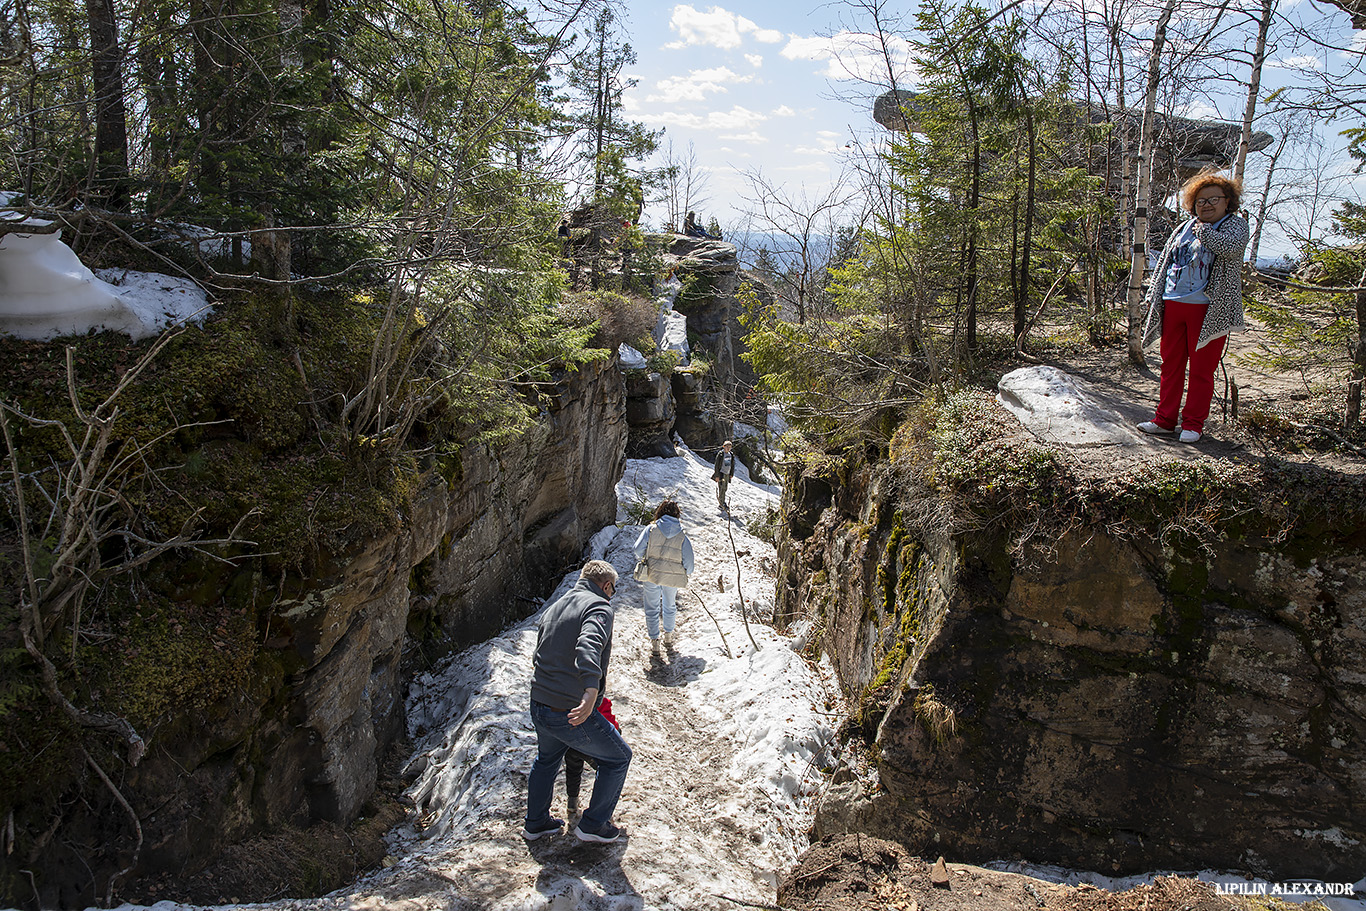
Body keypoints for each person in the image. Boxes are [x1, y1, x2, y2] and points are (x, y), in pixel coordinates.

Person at [523, 560, 632, 844]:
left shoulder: (555, 607)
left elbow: (538, 654)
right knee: (618, 758)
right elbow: (588, 645)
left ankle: (536, 823)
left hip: (540, 702)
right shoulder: (598, 606)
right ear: (606, 586)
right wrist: (590, 690)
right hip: (570, 708)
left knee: (546, 760)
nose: (612, 596)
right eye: (613, 590)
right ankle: (594, 824)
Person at [1136, 171, 1249, 444]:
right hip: (1173, 303)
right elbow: (1166, 261)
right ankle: (1164, 420)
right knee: (1171, 366)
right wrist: (1155, 294)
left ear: (1227, 201)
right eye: (1200, 201)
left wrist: (1204, 231)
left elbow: (1231, 248)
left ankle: (1194, 424)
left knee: (1201, 370)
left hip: (1209, 309)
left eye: (1213, 199)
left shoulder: (1235, 225)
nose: (1206, 205)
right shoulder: (1183, 227)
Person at [632, 500, 695, 658]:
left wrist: (646, 557)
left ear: (660, 512)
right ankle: (668, 636)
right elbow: (689, 563)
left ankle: (655, 642)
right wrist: (683, 570)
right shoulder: (682, 534)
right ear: (677, 515)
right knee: (669, 605)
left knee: (652, 608)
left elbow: (637, 549)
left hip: (651, 574)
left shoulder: (651, 529)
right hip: (672, 576)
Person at [564, 697, 620, 817]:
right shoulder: (600, 702)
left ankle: (572, 801)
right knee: (605, 772)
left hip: (571, 743)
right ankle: (600, 808)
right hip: (594, 747)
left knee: (573, 771)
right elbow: (609, 724)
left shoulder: (569, 700)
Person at [712, 440, 736, 511]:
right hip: (721, 473)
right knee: (721, 488)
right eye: (727, 447)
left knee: (725, 488)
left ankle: (723, 501)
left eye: (730, 447)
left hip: (727, 474)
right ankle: (721, 503)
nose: (728, 448)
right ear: (723, 446)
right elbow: (716, 465)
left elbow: (731, 465)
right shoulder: (721, 454)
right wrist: (717, 475)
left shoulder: (730, 455)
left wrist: (731, 474)